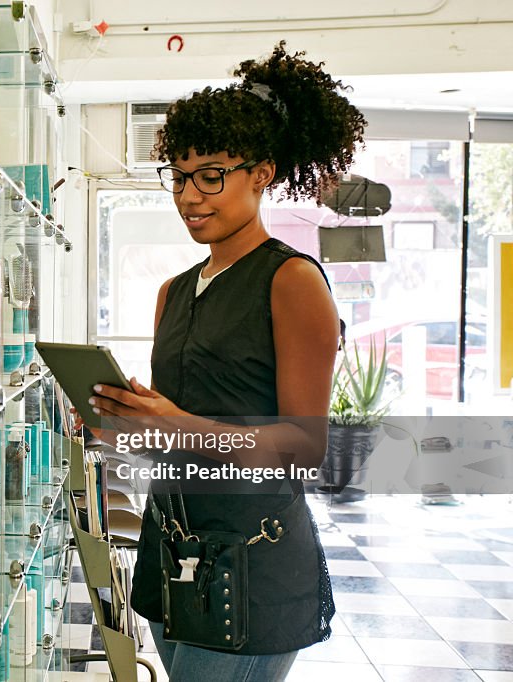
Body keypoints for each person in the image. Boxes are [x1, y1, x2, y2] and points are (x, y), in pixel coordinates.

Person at [81, 42, 366, 680]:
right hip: (173, 553)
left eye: (211, 175)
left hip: (252, 562)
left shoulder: (291, 282)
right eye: (180, 177)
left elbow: (302, 447)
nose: (190, 196)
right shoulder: (173, 291)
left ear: (261, 173)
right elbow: (169, 439)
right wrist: (124, 424)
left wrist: (175, 423)